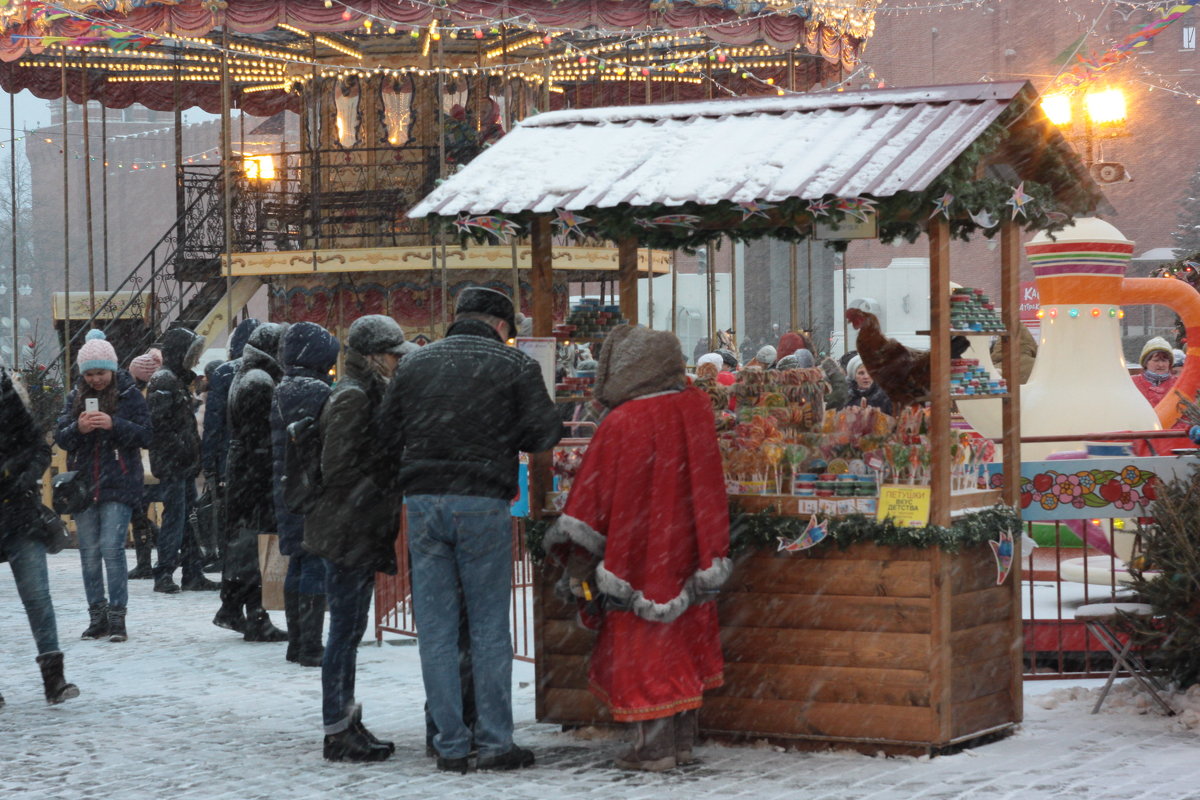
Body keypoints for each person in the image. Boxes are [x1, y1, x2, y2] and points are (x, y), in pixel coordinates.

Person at [378, 286, 562, 773]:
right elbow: (544, 432)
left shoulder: (415, 363)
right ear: (502, 326)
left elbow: (385, 434)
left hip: (421, 502)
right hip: (482, 502)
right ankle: (496, 741)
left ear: (459, 318)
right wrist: (502, 433)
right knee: (488, 628)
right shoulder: (513, 365)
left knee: (436, 631)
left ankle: (450, 743)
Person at [544, 325, 731, 772]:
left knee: (643, 652)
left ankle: (654, 748)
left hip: (638, 555)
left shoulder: (623, 422)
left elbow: (590, 502)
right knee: (683, 646)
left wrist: (577, 562)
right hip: (690, 550)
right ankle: (682, 740)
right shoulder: (696, 407)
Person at [303, 316, 406, 762]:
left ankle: (345, 718)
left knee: (350, 630)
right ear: (371, 357)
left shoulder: (365, 393)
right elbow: (338, 468)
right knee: (343, 633)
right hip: (346, 529)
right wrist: (380, 482)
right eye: (390, 355)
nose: (396, 363)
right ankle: (337, 728)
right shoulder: (352, 397)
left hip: (354, 527)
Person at [53, 330, 152, 642]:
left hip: (119, 482)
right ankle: (97, 615)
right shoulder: (74, 397)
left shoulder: (129, 395)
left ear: (112, 369)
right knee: (89, 553)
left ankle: (117, 616)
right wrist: (78, 427)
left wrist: (115, 424)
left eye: (101, 373)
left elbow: (147, 435)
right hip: (83, 486)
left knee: (111, 548)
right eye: (90, 374)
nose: (96, 380)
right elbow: (61, 438)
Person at [1, 363, 80, 705]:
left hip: (19, 513)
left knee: (37, 596)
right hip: (16, 509)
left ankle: (54, 678)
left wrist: (22, 475)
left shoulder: (5, 397)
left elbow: (38, 447)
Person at [270, 321, 340, 666]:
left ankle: (297, 642)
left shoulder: (282, 387)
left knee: (297, 562)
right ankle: (311, 645)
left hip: (287, 486)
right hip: (312, 488)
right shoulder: (316, 391)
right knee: (314, 564)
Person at [215, 323, 289, 642]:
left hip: (244, 469)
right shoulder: (260, 380)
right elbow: (262, 434)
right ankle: (256, 615)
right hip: (255, 471)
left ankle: (234, 607)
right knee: (258, 543)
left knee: (244, 542)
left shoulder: (246, 373)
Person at [147, 327, 215, 594]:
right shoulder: (165, 382)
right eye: (191, 355)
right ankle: (165, 572)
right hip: (174, 463)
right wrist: (183, 450)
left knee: (187, 519)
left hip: (180, 462)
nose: (195, 361)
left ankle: (191, 571)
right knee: (177, 518)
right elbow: (161, 427)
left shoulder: (173, 380)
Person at [202, 319, 261, 584]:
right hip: (259, 458)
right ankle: (256, 570)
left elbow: (213, 424)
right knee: (259, 516)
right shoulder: (267, 371)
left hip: (230, 457)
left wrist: (210, 462)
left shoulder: (224, 374)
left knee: (230, 517)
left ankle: (232, 571)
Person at [127, 347, 162, 580]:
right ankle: (156, 547)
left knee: (137, 511)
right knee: (138, 510)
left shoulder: (142, 396)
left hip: (146, 464)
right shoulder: (156, 392)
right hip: (154, 463)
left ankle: (145, 560)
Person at [1131, 336, 1189, 456]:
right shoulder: (1132, 383)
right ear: (1146, 362)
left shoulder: (1179, 385)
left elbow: (1186, 416)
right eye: (1156, 360)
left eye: (1165, 360)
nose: (1161, 364)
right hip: (1141, 445)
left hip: (1174, 447)